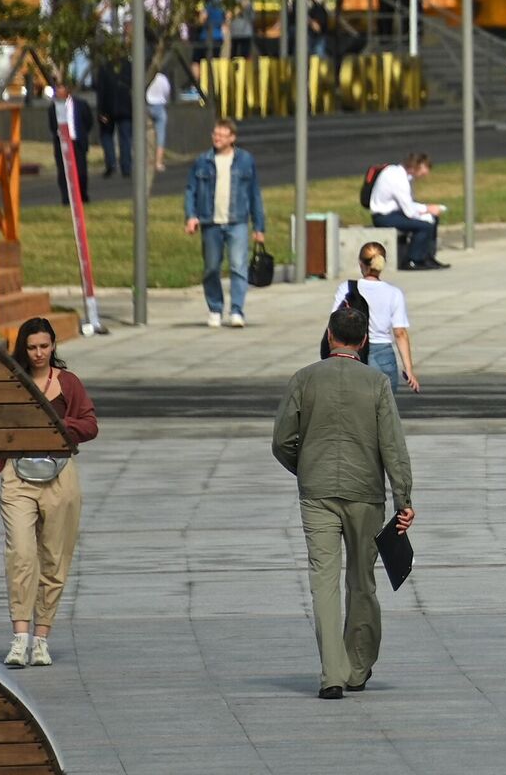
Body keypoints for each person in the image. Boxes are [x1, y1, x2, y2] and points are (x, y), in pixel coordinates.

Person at [272, 308, 415, 699]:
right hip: (365, 493)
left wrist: (306, 468)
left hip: (316, 493)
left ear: (330, 335)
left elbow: (281, 441)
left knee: (324, 581)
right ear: (364, 341)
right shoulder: (377, 383)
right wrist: (403, 497)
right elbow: (392, 445)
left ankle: (331, 674)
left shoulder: (304, 378)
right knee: (361, 581)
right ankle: (357, 666)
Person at [0, 318, 98, 670]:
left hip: (60, 476)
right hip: (17, 476)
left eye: (45, 346)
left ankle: (41, 638)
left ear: (54, 346)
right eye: (32, 347)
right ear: (22, 349)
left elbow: (89, 425)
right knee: (21, 554)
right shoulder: (11, 385)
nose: (39, 353)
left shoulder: (68, 384)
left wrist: (58, 425)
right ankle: (20, 636)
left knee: (55, 559)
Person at [183, 119, 266, 328]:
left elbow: (254, 194)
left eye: (221, 135)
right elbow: (190, 190)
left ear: (232, 138)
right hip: (210, 222)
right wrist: (191, 216)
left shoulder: (245, 160)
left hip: (237, 221)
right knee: (211, 268)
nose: (217, 138)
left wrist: (259, 227)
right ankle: (215, 308)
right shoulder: (203, 161)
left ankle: (237, 310)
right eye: (215, 134)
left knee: (238, 266)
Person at [333, 242, 419, 392]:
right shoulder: (394, 293)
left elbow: (335, 322)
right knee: (384, 408)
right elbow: (400, 333)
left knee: (356, 407)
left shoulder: (346, 288)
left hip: (354, 351)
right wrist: (409, 369)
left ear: (361, 263)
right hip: (384, 354)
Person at [368, 153, 448, 271]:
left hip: (396, 213)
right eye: (423, 169)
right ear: (414, 167)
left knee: (433, 218)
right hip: (384, 217)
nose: (425, 174)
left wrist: (427, 209)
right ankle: (412, 260)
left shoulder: (405, 176)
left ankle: (428, 257)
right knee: (425, 226)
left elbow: (409, 203)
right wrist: (426, 211)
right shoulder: (397, 178)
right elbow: (409, 211)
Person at [44, 85, 93, 206]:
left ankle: (82, 195)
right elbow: (52, 126)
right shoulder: (53, 108)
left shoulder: (80, 104)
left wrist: (80, 135)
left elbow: (88, 122)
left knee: (81, 172)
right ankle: (66, 199)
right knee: (63, 172)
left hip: (77, 142)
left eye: (61, 94)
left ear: (67, 93)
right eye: (57, 94)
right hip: (62, 143)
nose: (59, 97)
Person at [93, 58, 133, 178]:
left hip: (108, 108)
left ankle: (111, 164)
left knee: (106, 136)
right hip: (125, 108)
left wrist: (101, 111)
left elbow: (100, 91)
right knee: (125, 138)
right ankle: (126, 166)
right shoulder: (128, 67)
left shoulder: (104, 68)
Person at [145, 67, 171, 173]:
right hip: (159, 105)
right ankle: (158, 162)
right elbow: (167, 92)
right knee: (161, 135)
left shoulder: (146, 77)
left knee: (148, 135)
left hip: (148, 105)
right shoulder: (162, 78)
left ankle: (148, 160)